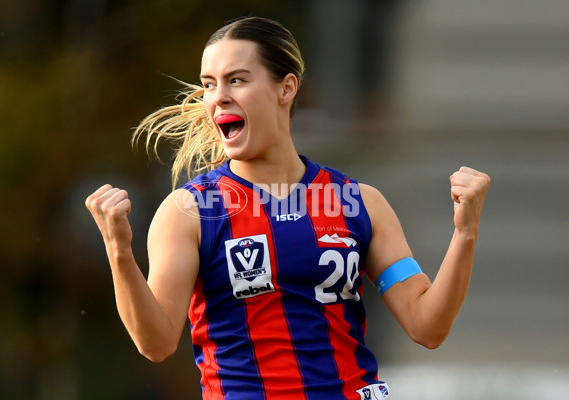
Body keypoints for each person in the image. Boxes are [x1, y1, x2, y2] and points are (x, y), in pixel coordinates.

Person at [85, 16, 490, 400]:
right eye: (209, 84)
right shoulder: (192, 210)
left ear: (286, 88)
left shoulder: (357, 202)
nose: (218, 96)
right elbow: (156, 343)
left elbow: (428, 326)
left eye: (236, 80)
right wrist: (119, 252)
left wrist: (465, 233)